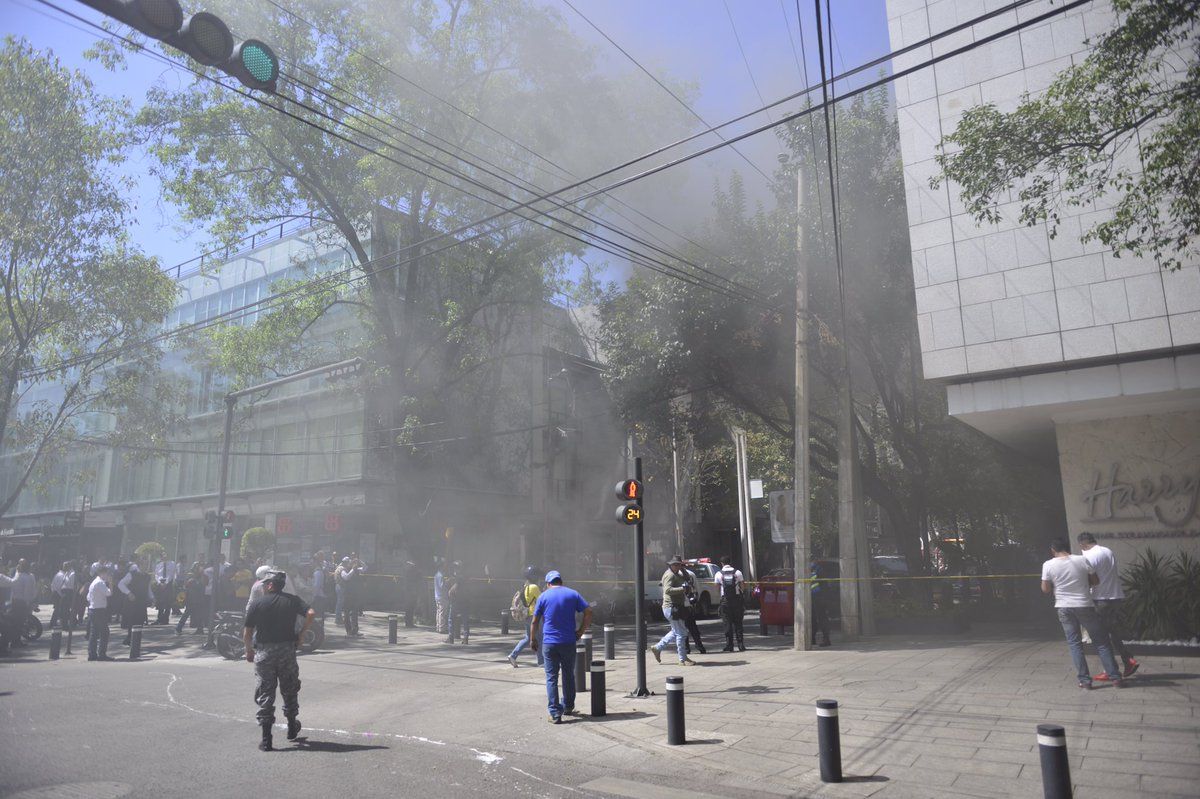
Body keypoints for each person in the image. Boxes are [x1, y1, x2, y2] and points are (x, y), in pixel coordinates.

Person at [243, 571, 315, 751]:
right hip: (286, 651)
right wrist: (302, 634)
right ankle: (292, 727)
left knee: (266, 693)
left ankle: (266, 739)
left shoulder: (258, 603)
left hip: (264, 652)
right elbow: (311, 613)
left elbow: (248, 631)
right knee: (289, 689)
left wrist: (248, 651)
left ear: (269, 585)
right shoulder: (293, 600)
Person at [1041, 538, 1125, 689]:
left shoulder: (1048, 564)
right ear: (1068, 548)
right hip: (1085, 606)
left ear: (1053, 550)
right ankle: (1115, 677)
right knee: (1101, 642)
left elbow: (1045, 589)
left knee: (1075, 644)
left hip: (1064, 607)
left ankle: (1085, 680)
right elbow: (1095, 581)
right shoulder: (1082, 560)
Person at [529, 570, 591, 723]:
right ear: (560, 581)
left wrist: (532, 639)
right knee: (568, 674)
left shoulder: (543, 596)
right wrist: (580, 631)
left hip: (549, 643)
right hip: (568, 641)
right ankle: (568, 706)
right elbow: (588, 612)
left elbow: (535, 621)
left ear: (548, 583)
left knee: (551, 678)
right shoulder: (573, 594)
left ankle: (555, 714)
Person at [1077, 533, 1139, 680]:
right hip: (1116, 596)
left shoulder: (1089, 557)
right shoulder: (1107, 551)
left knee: (1101, 636)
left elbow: (1089, 581)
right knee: (1112, 630)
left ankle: (1110, 670)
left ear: (1082, 544)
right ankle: (1127, 659)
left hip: (1101, 599)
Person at [649, 555, 693, 666]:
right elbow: (667, 590)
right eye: (675, 564)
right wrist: (682, 589)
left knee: (675, 631)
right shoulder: (669, 575)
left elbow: (687, 579)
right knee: (681, 633)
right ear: (671, 565)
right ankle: (682, 659)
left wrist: (683, 569)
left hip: (676, 607)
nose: (677, 566)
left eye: (679, 564)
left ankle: (657, 648)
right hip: (671, 607)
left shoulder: (677, 574)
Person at [508, 566, 543, 667]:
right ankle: (541, 662)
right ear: (534, 576)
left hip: (527, 615)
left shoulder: (526, 586)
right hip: (534, 616)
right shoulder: (534, 587)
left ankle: (513, 655)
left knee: (528, 638)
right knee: (539, 638)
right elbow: (542, 600)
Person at [714, 558, 746, 652]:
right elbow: (742, 586)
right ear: (730, 562)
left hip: (725, 601)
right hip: (736, 600)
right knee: (738, 623)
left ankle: (729, 645)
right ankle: (741, 645)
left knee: (727, 623)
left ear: (721, 563)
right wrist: (741, 594)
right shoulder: (738, 572)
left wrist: (720, 596)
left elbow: (717, 588)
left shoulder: (718, 574)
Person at [87, 565, 114, 661]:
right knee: (104, 632)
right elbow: (109, 593)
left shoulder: (93, 582)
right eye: (106, 573)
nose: (107, 575)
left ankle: (92, 654)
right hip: (99, 610)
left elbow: (88, 597)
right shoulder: (100, 583)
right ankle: (102, 654)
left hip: (93, 609)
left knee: (94, 633)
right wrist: (110, 583)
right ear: (101, 573)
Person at [679, 563, 707, 655]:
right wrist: (695, 602)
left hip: (680, 604)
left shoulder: (675, 575)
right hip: (690, 604)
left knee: (683, 628)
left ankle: (687, 649)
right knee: (693, 627)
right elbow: (697, 589)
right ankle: (700, 646)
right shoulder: (691, 574)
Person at [336, 557, 364, 636]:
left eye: (350, 562)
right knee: (347, 613)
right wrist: (353, 569)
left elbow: (365, 568)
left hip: (354, 594)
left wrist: (359, 561)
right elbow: (346, 577)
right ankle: (348, 631)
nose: (350, 563)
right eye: (348, 562)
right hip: (347, 594)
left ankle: (355, 630)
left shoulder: (356, 569)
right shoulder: (343, 570)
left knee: (355, 613)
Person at [810, 561, 832, 648]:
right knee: (813, 618)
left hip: (819, 597)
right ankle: (812, 639)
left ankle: (826, 639)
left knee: (822, 618)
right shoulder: (812, 569)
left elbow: (823, 584)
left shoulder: (818, 569)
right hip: (812, 597)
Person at [49, 561, 76, 629]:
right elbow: (59, 586)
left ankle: (54, 623)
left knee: (60, 609)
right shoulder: (61, 575)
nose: (65, 567)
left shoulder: (61, 574)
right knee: (60, 609)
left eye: (67, 566)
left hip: (57, 593)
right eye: (65, 566)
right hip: (58, 594)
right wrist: (61, 595)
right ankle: (54, 623)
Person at [433, 560, 448, 634]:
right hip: (442, 596)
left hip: (437, 595)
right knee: (442, 612)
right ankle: (442, 628)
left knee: (438, 612)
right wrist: (447, 582)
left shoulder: (436, 574)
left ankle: (438, 627)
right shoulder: (441, 575)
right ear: (441, 566)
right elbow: (442, 586)